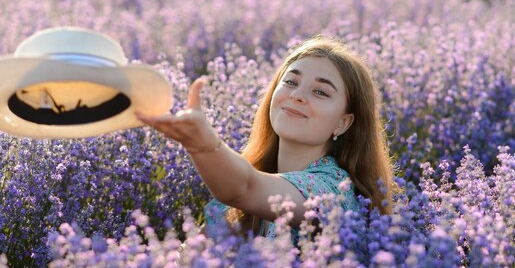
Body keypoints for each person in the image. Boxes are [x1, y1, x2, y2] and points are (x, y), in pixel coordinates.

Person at [136, 35, 394, 238]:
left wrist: (202, 145)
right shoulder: (254, 176)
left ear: (343, 122)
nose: (297, 95)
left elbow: (244, 189)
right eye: (291, 82)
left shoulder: (334, 192)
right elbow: (189, 259)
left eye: (321, 92)